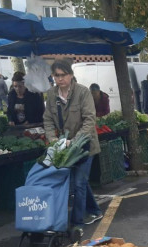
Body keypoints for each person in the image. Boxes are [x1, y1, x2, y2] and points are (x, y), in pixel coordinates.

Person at [43, 59, 103, 230]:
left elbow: (90, 119)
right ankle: (95, 210)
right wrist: (53, 139)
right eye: (56, 75)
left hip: (85, 146)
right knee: (80, 181)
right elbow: (47, 119)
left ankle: (77, 223)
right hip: (65, 147)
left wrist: (75, 141)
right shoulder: (52, 95)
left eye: (63, 75)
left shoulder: (83, 92)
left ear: (70, 75)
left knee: (78, 183)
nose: (60, 79)